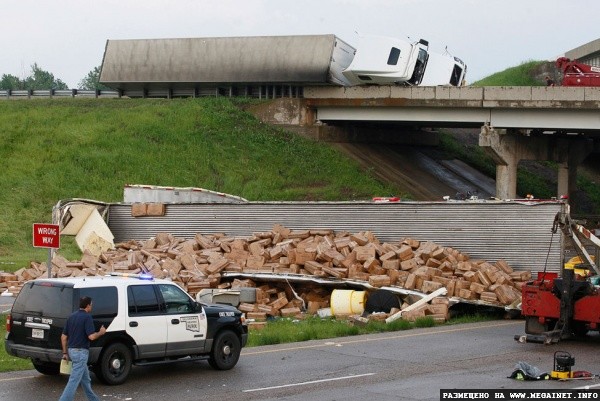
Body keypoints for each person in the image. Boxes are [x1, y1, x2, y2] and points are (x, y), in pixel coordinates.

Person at [58, 296, 106, 401]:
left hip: (71, 351)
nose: (92, 306)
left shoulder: (71, 316)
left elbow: (63, 337)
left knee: (85, 379)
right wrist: (101, 333)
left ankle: (94, 399)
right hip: (81, 352)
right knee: (74, 380)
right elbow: (91, 337)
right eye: (91, 304)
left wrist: (65, 353)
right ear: (88, 305)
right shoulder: (87, 317)